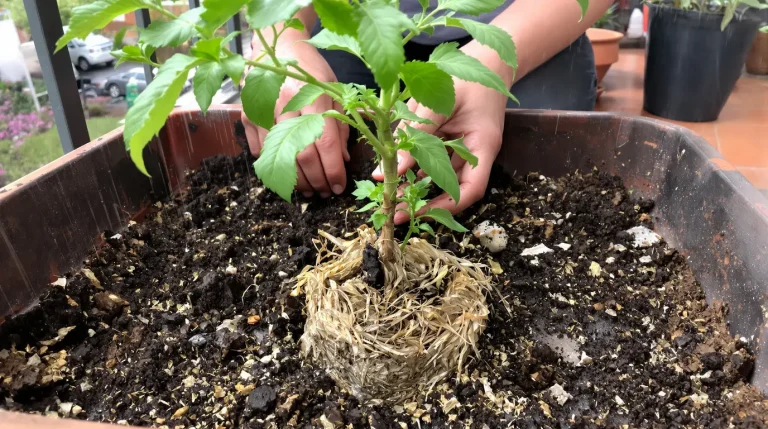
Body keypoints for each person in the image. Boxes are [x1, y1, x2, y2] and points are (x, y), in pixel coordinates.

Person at [242, 0, 614, 224]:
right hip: (357, 24)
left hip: (530, 19)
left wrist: (497, 61)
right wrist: (279, 39)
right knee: (315, 126)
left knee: (531, 160)